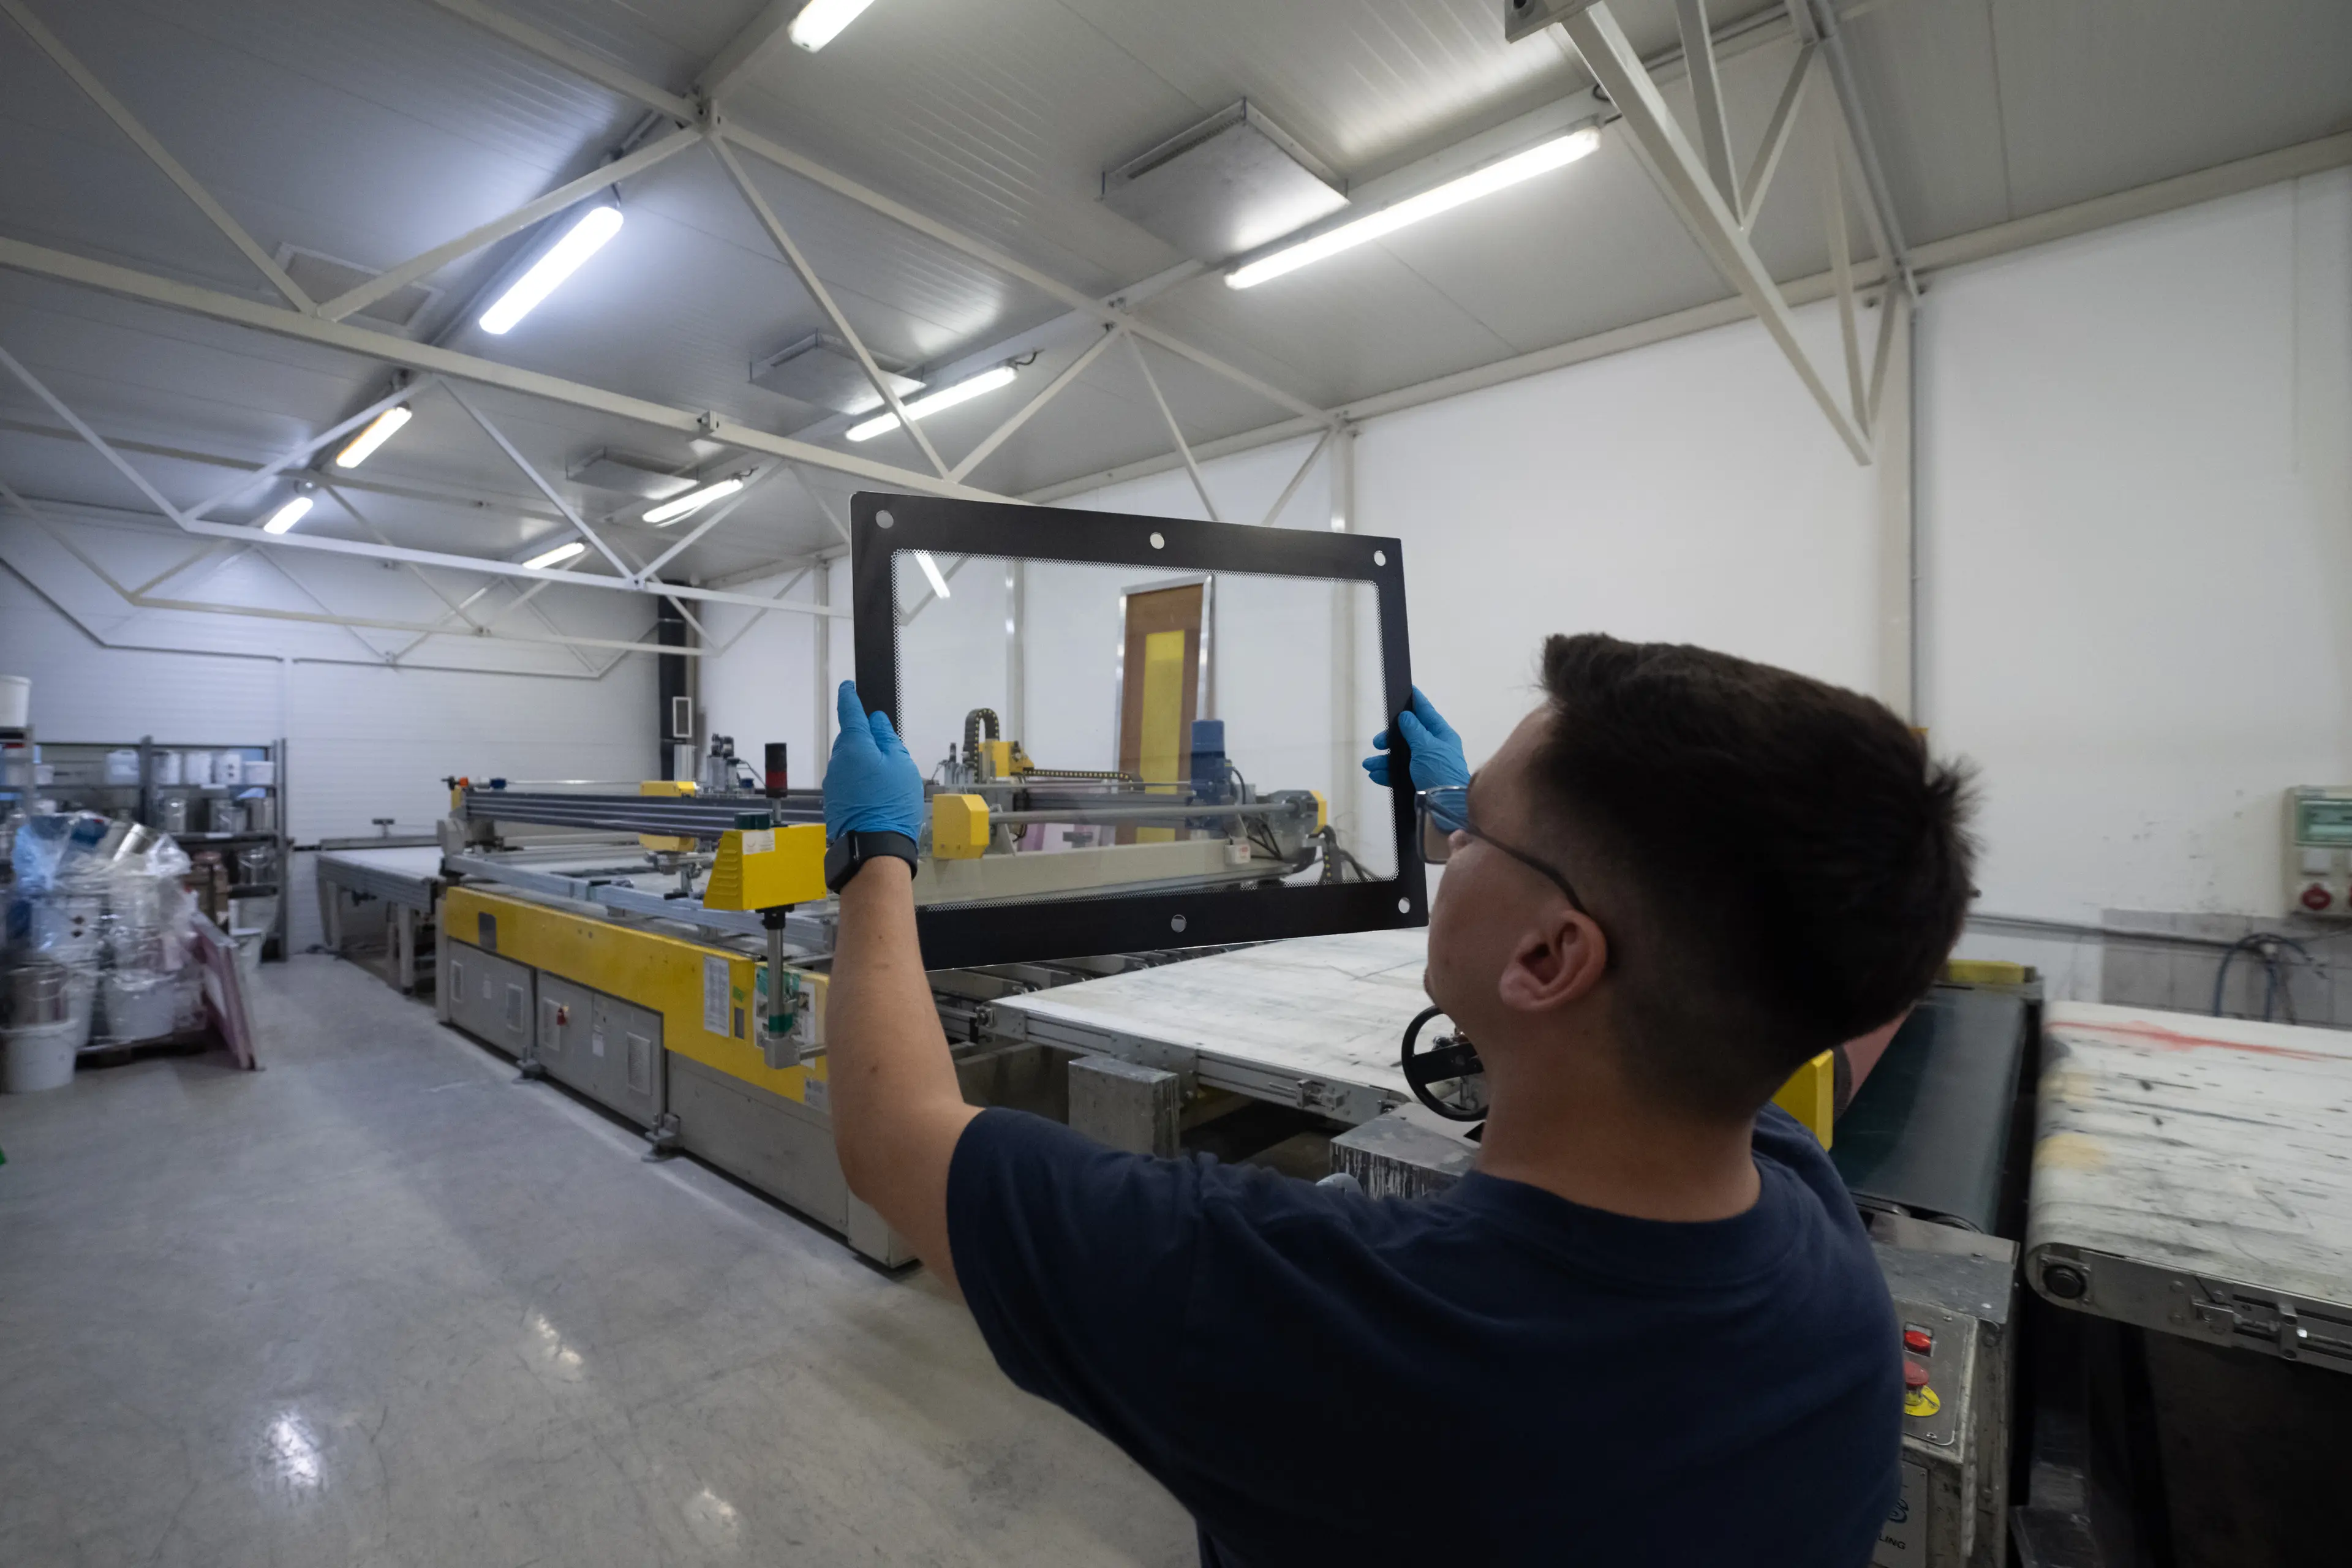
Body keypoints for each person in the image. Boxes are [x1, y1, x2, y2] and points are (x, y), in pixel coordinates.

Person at [819, 631, 1976, 1567]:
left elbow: (895, 1136)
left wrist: (876, 856)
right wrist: (1478, 823)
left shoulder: (1331, 1319)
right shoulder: (1827, 1268)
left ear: (1549, 959)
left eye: (1471, 830)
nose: (1448, 839)